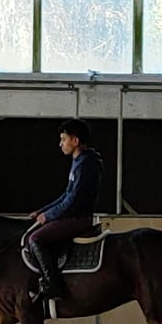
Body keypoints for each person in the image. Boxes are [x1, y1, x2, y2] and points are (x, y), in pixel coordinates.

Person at [28, 118, 104, 301]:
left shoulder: (85, 165)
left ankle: (52, 285)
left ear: (75, 141)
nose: (60, 143)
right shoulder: (80, 161)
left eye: (63, 139)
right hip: (73, 214)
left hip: (78, 218)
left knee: (35, 238)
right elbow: (65, 195)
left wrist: (49, 216)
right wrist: (42, 211)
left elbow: (73, 200)